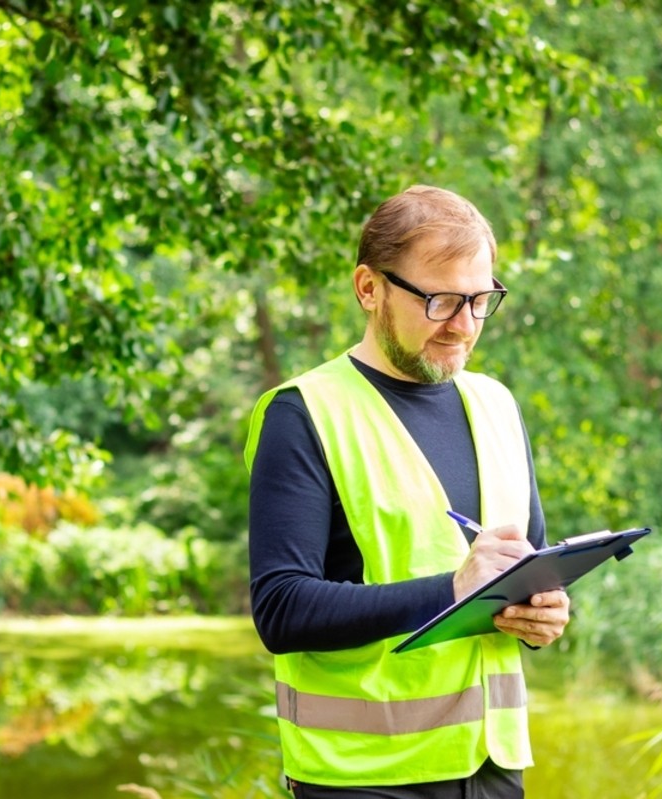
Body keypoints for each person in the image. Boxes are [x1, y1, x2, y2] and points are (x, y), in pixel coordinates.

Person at [244, 185, 571, 798]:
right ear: (369, 288)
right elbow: (281, 610)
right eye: (442, 300)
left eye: (480, 301)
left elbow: (527, 566)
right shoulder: (304, 412)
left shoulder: (497, 405)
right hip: (365, 779)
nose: (464, 327)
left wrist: (541, 615)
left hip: (493, 769)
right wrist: (451, 590)